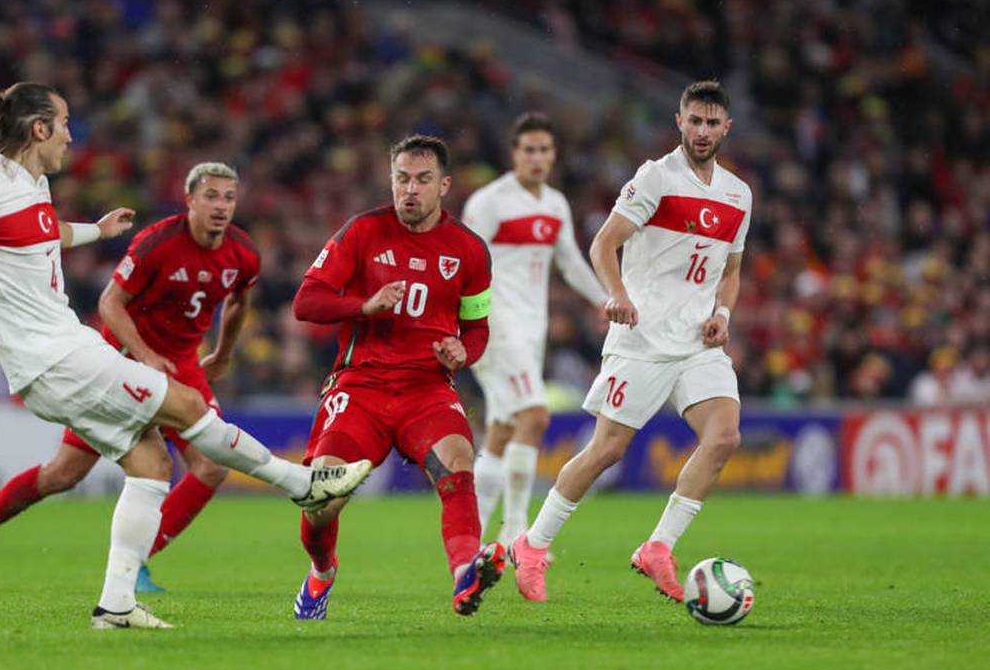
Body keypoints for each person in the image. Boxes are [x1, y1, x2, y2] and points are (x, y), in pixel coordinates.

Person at [0, 82, 372, 629]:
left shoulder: (30, 187)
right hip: (56, 357)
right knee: (189, 405)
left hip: (60, 354)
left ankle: (116, 604)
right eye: (66, 125)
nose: (73, 135)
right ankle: (303, 484)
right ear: (40, 129)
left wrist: (95, 231)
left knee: (150, 466)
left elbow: (43, 233)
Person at [0, 161, 259, 594]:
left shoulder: (243, 252)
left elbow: (238, 300)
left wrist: (224, 353)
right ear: (190, 200)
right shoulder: (157, 243)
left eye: (229, 198)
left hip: (184, 367)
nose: (221, 206)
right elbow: (109, 303)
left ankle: (137, 561)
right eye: (211, 196)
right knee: (63, 475)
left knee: (211, 467)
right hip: (121, 363)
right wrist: (145, 355)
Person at [510, 80, 751, 603]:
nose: (703, 131)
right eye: (695, 121)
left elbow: (730, 269)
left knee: (725, 436)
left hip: (696, 342)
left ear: (726, 128)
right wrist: (616, 295)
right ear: (679, 122)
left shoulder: (738, 194)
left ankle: (658, 547)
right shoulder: (656, 178)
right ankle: (532, 544)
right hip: (642, 337)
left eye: (713, 123)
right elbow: (604, 243)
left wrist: (723, 312)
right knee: (607, 450)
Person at [291, 134, 503, 619]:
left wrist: (461, 352)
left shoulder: (470, 251)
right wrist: (362, 305)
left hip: (426, 390)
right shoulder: (362, 232)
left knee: (458, 461)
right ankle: (322, 569)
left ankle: (464, 574)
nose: (410, 189)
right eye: (402, 178)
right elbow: (307, 301)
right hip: (360, 387)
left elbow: (477, 328)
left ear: (444, 185)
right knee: (321, 501)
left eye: (422, 180)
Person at [462, 112, 607, 548]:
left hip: (531, 327)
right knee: (535, 414)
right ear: (514, 154)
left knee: (504, 427)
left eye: (544, 150)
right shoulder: (489, 202)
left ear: (554, 155)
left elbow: (569, 263)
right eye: (529, 150)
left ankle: (471, 539)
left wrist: (604, 299)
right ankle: (516, 529)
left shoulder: (556, 204)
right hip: (496, 323)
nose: (537, 158)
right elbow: (464, 262)